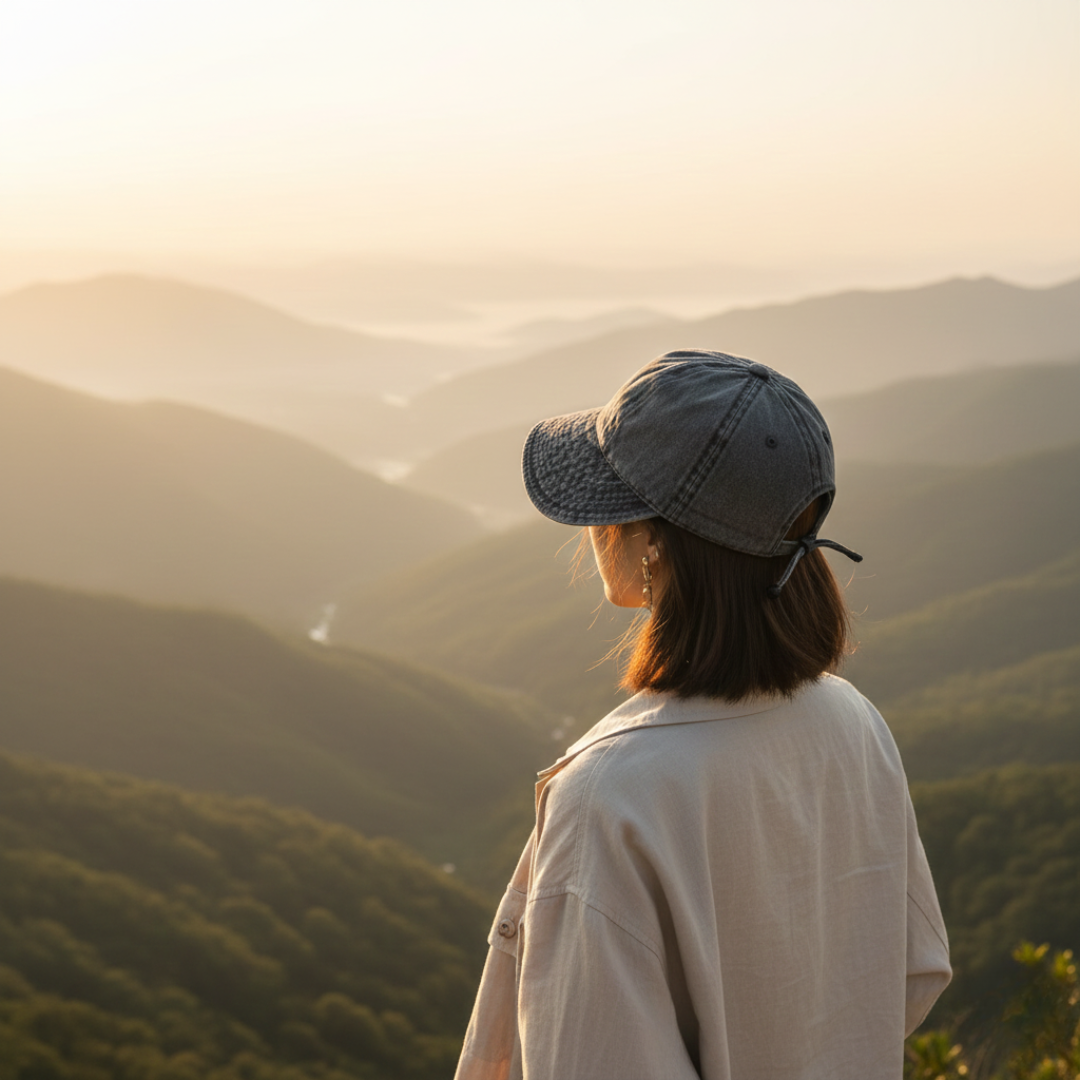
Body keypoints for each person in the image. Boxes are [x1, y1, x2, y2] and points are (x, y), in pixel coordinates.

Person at [454, 350, 951, 1080]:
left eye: (611, 506)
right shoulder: (853, 721)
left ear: (654, 544)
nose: (595, 531)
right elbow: (915, 970)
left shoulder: (609, 798)